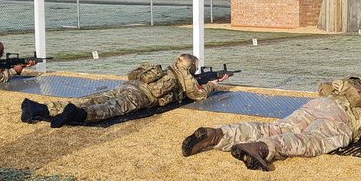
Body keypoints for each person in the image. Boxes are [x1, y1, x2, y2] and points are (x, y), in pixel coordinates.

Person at [180, 64, 361, 171]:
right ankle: (262, 149)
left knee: (277, 126)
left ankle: (220, 135)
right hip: (344, 120)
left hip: (324, 103)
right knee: (309, 140)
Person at [21, 53, 224, 127]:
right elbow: (197, 94)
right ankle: (79, 115)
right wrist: (213, 84)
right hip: (140, 95)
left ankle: (41, 109)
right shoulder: (183, 76)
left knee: (93, 98)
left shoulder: (167, 69)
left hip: (130, 85)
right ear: (190, 68)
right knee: (111, 108)